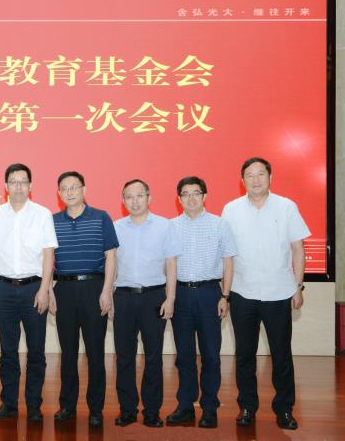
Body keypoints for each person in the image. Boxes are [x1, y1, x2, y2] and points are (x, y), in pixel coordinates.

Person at [221, 157, 309, 430]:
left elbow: (298, 249)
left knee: (281, 355)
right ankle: (247, 407)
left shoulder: (286, 207)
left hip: (279, 292)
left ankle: (284, 409)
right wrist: (225, 293)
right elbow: (226, 255)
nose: (256, 179)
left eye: (261, 174)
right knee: (244, 355)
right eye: (250, 175)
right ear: (242, 181)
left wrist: (298, 286)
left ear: (271, 177)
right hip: (242, 292)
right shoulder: (231, 209)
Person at [0, 163, 58, 422]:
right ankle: (9, 404)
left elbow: (48, 254)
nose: (18, 186)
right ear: (5, 186)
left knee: (36, 351)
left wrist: (44, 289)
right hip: (4, 288)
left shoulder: (42, 214)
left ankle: (34, 405)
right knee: (8, 351)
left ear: (31, 185)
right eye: (13, 182)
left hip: (33, 289)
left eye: (23, 181)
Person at [166, 176, 236, 429]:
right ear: (179, 199)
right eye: (185, 194)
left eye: (196, 193)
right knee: (184, 355)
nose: (191, 198)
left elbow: (228, 262)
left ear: (205, 196)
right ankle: (185, 406)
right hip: (181, 294)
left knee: (211, 356)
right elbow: (168, 263)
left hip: (209, 294)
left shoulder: (220, 224)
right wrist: (170, 297)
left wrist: (225, 296)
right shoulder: (171, 226)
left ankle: (209, 408)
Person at [51, 171, 118, 428]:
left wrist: (107, 290)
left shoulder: (101, 217)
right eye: (64, 188)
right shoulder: (52, 221)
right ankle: (67, 405)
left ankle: (95, 408)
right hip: (64, 289)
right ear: (59, 193)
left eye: (74, 187)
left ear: (84, 190)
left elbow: (111, 256)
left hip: (94, 289)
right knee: (67, 353)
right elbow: (47, 259)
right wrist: (50, 290)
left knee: (95, 353)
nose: (69, 192)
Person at [112, 179, 180, 428]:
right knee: (124, 356)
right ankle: (127, 409)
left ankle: (152, 410)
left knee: (153, 356)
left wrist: (170, 298)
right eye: (129, 196)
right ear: (123, 201)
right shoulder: (116, 227)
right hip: (123, 297)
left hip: (154, 297)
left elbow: (171, 264)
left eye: (139, 196)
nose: (135, 201)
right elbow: (112, 264)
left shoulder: (165, 225)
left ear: (149, 198)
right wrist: (109, 296)